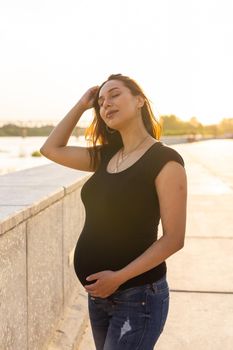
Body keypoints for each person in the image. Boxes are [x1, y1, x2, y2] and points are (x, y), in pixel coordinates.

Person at [40, 73, 187, 349]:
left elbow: (174, 238)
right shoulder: (106, 155)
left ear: (140, 100)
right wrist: (82, 104)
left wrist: (119, 278)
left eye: (115, 94)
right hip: (98, 297)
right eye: (101, 101)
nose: (106, 104)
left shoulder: (165, 160)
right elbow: (51, 148)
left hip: (138, 295)